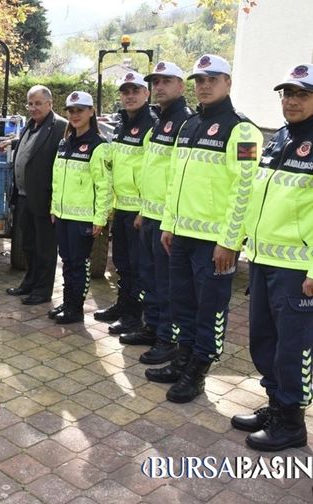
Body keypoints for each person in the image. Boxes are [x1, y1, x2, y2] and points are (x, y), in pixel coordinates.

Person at [149, 54, 263, 403]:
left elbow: (245, 189)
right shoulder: (189, 125)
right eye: (200, 80)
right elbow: (175, 183)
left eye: (213, 79)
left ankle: (197, 373)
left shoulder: (242, 130)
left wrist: (230, 242)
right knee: (182, 302)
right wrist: (168, 224)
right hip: (181, 236)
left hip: (214, 243)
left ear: (228, 82)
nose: (205, 85)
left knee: (209, 309)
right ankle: (182, 360)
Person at [231, 64, 313, 451]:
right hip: (264, 260)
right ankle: (276, 404)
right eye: (287, 94)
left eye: (301, 95)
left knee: (293, 347)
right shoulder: (279, 137)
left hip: (298, 268)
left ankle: (292, 423)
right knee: (265, 340)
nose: (291, 101)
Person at [133, 62, 193, 363]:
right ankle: (153, 328)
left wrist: (167, 218)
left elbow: (178, 177)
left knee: (167, 284)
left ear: (181, 86)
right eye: (155, 82)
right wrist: (144, 210)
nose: (159, 87)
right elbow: (152, 171)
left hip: (168, 220)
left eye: (166, 81)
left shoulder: (184, 121)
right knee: (150, 277)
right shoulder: (160, 120)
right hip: (151, 215)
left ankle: (168, 341)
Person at [94, 71, 157, 335]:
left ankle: (134, 316)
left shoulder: (152, 124)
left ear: (146, 93)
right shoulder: (121, 123)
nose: (129, 96)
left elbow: (152, 172)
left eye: (135, 91)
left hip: (138, 211)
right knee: (121, 262)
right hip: (121, 208)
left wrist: (144, 209)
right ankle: (123, 305)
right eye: (125, 91)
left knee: (138, 266)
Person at [47, 91, 112, 324]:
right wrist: (55, 208)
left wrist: (100, 219)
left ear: (91, 112)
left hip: (83, 219)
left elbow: (105, 186)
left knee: (79, 264)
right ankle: (68, 301)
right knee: (66, 262)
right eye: (71, 111)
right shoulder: (64, 143)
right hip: (63, 215)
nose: (75, 115)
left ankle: (76, 309)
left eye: (80, 110)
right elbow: (57, 179)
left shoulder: (99, 146)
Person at [0, 85, 67, 305]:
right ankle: (29, 282)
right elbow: (32, 146)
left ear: (50, 104)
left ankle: (42, 291)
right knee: (28, 244)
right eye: (30, 103)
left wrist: (55, 200)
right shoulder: (31, 125)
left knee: (45, 248)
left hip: (44, 199)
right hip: (23, 197)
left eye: (38, 103)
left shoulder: (60, 127)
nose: (33, 107)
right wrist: (13, 142)